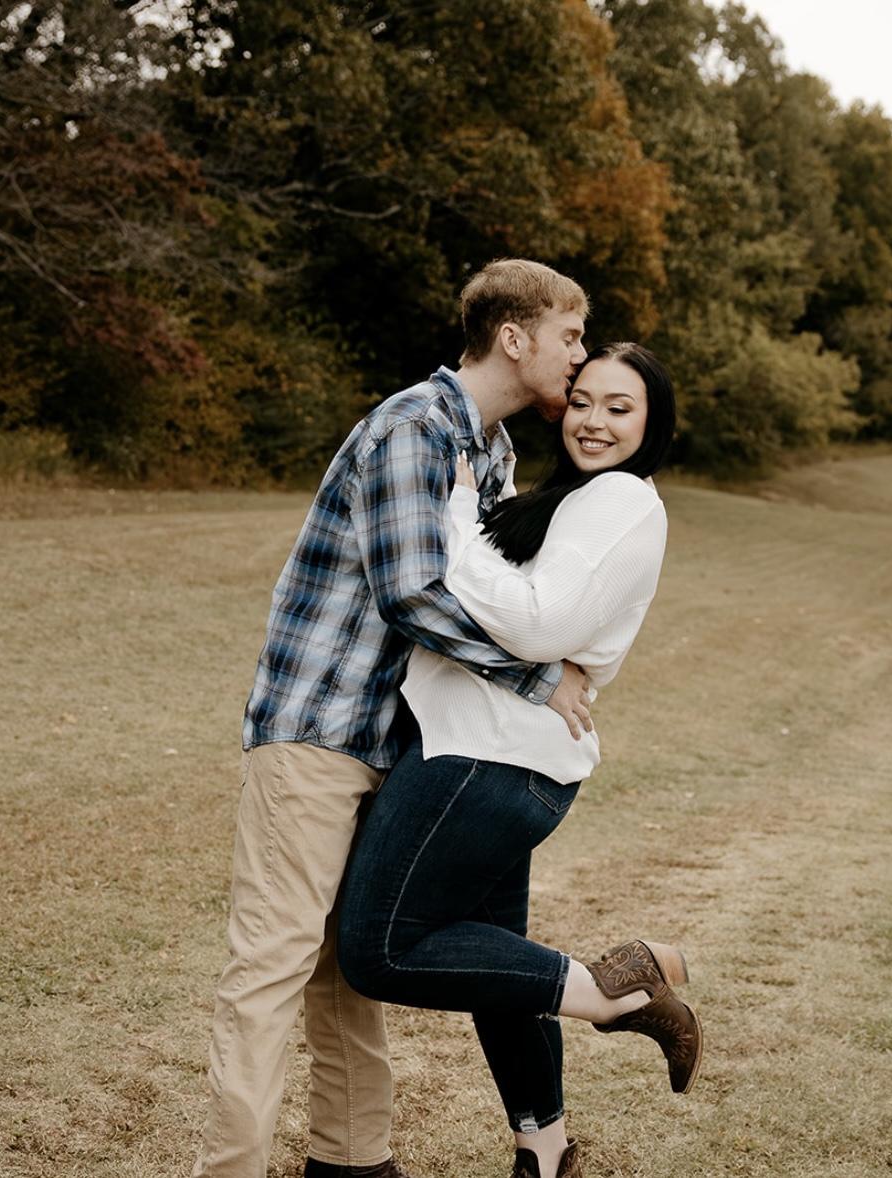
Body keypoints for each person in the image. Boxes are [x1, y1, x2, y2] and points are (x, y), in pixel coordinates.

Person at [192, 259, 598, 1178]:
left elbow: (497, 590)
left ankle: (352, 1162)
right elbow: (412, 593)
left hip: (397, 742)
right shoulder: (413, 427)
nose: (580, 356)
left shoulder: (490, 450)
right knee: (271, 968)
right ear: (514, 337)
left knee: (346, 970)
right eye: (570, 336)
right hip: (317, 732)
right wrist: (537, 680)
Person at [337, 343, 702, 1178]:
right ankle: (545, 1150)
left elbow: (536, 625)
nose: (594, 421)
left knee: (378, 948)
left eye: (620, 408)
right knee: (497, 961)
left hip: (484, 756)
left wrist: (457, 521)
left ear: (654, 423)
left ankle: (618, 990)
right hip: (504, 753)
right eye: (584, 401)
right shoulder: (580, 496)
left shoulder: (620, 499)